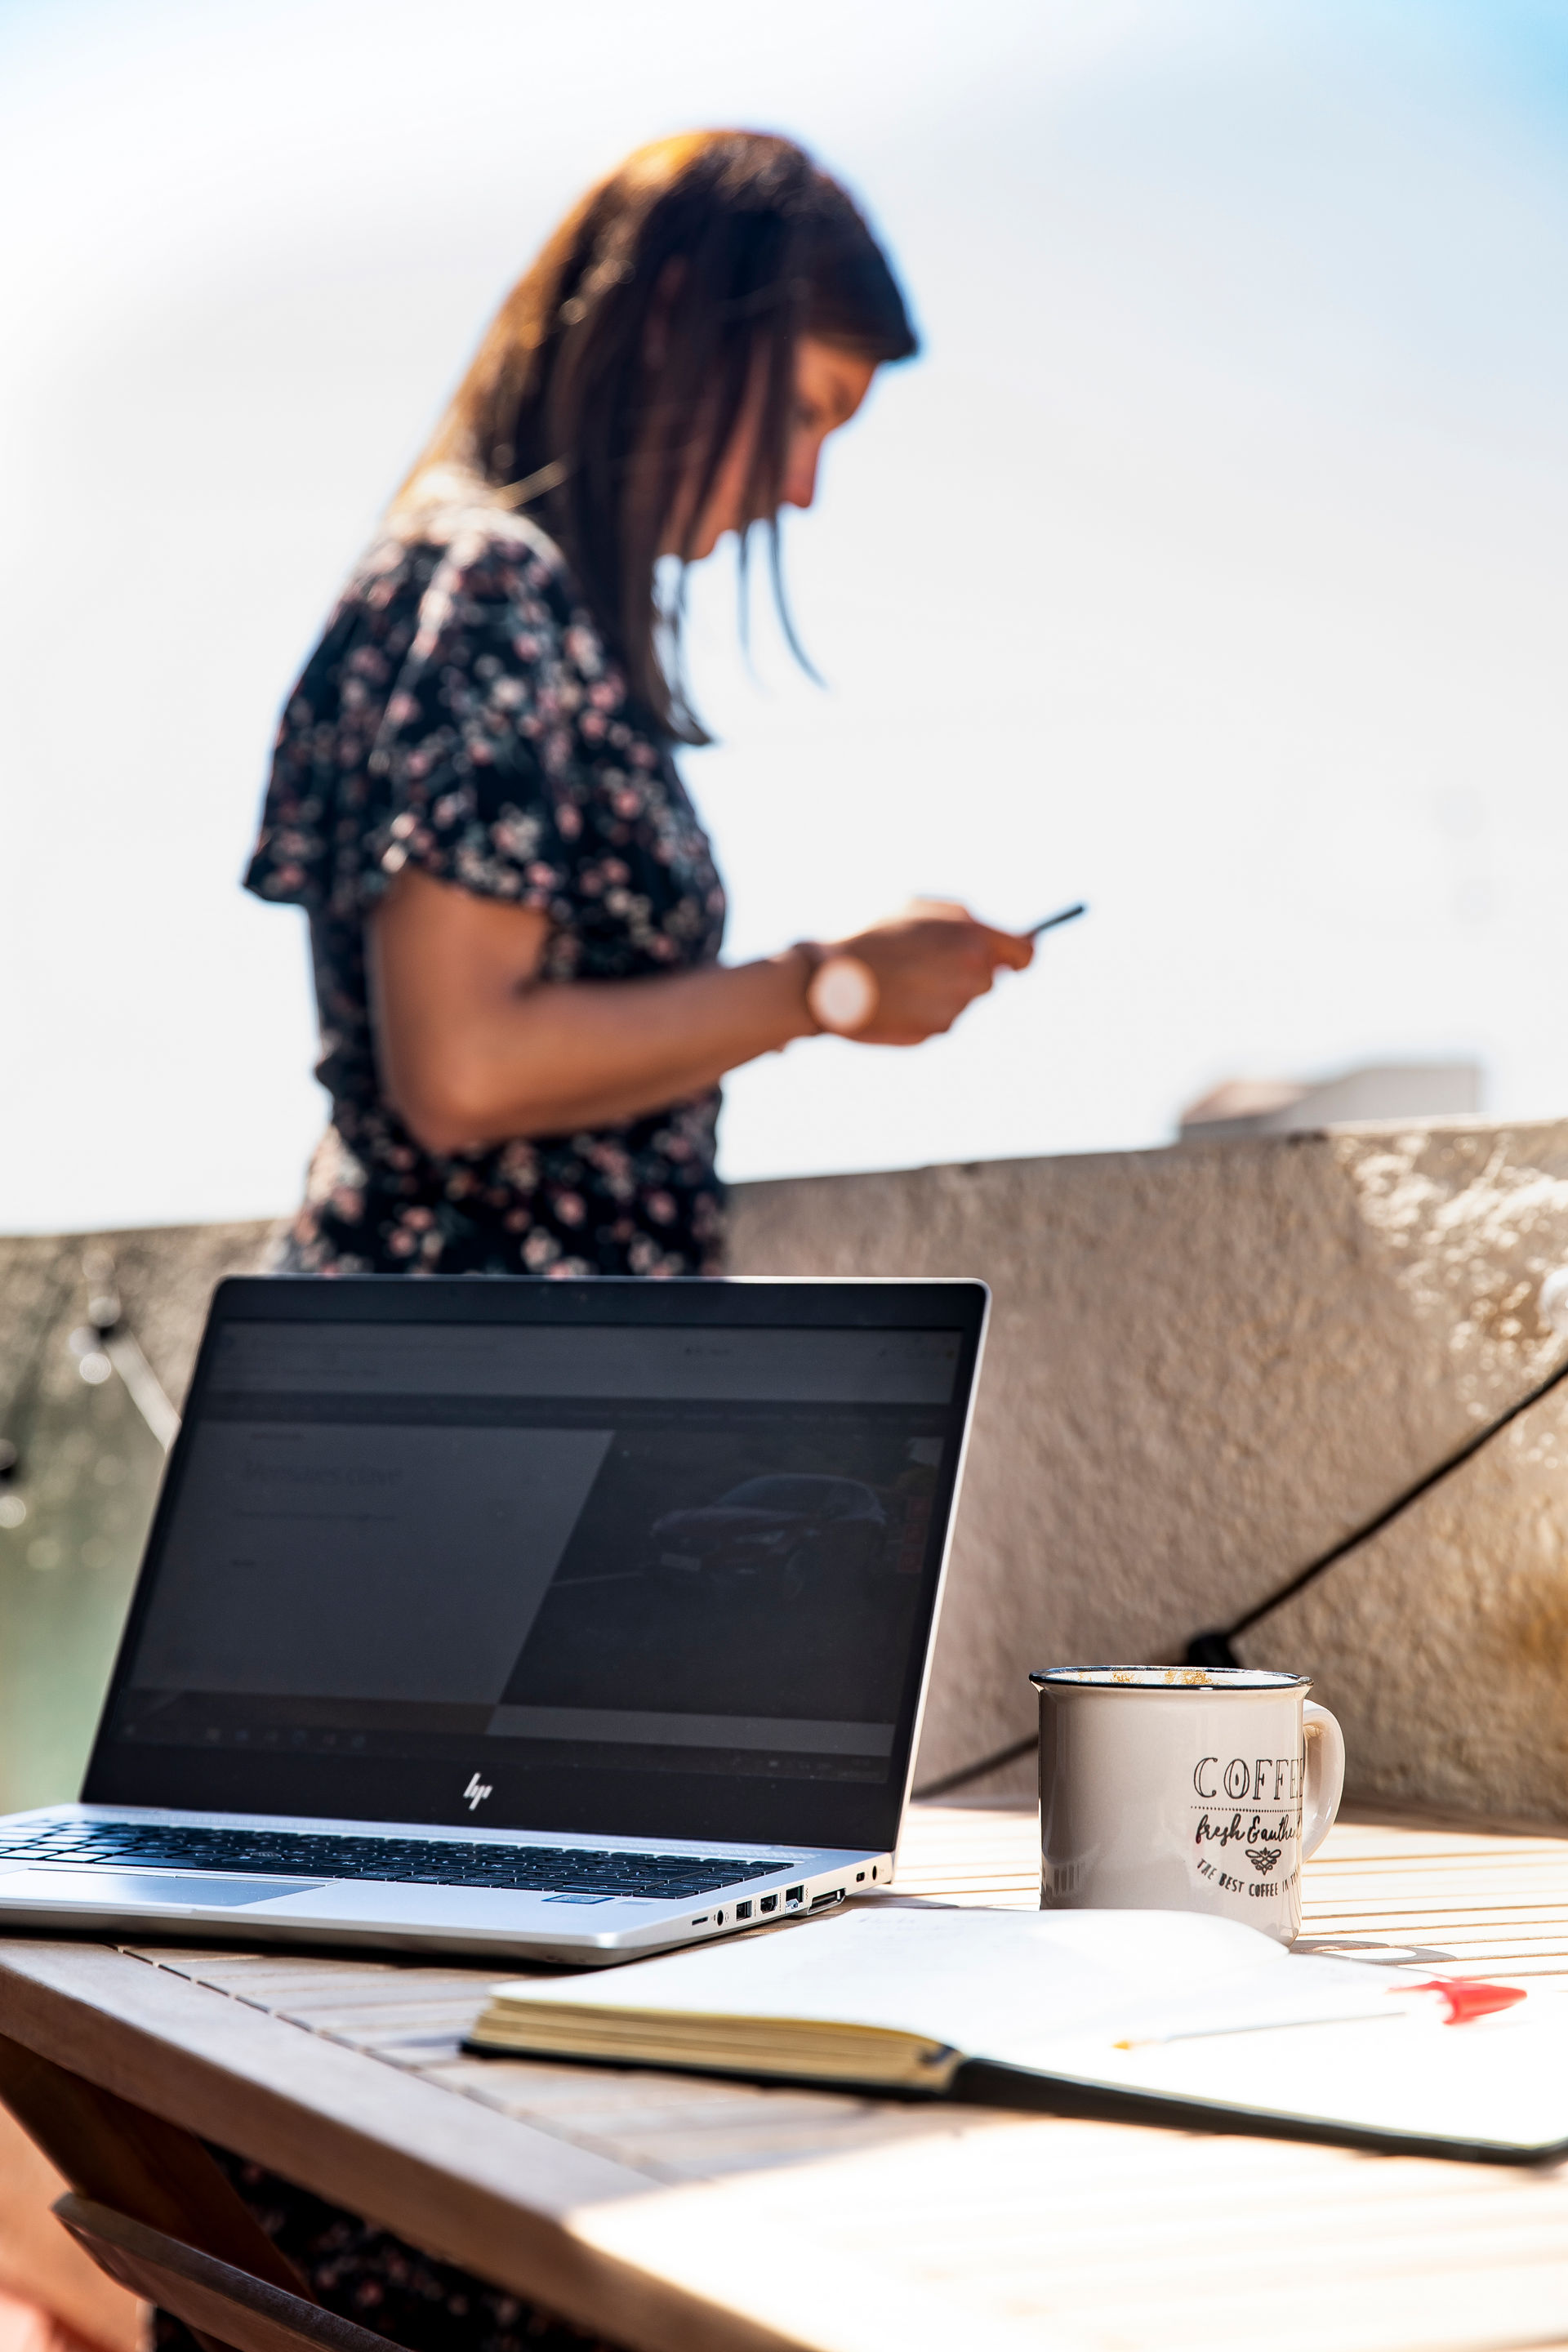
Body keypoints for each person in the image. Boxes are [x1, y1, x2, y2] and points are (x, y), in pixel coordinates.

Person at [247, 127, 1033, 1283]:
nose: (804, 487)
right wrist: (824, 988)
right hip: (448, 1396)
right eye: (809, 411)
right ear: (672, 316)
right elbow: (463, 1071)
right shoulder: (489, 587)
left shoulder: (504, 595)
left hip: (469, 1390)